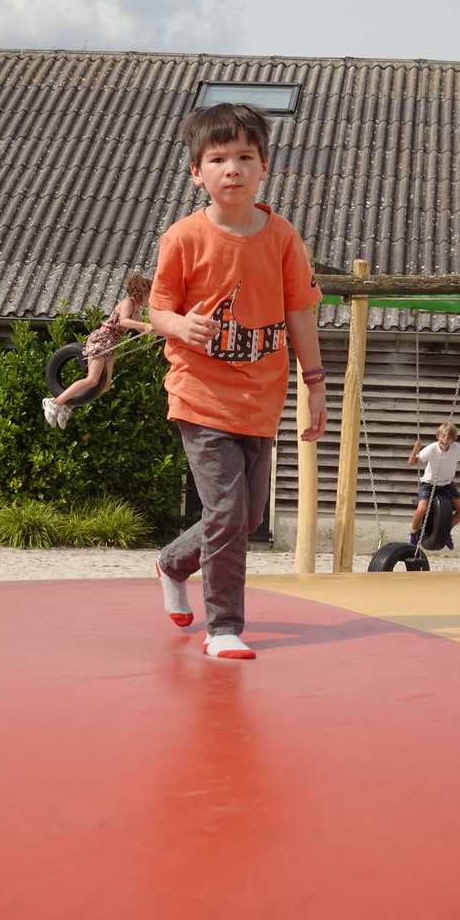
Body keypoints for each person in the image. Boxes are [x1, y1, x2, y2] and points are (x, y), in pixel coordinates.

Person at [148, 102, 327, 660]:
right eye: (218, 158)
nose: (233, 168)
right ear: (196, 171)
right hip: (199, 395)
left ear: (264, 167)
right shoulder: (183, 238)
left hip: (261, 398)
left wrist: (314, 382)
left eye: (245, 157)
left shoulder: (282, 238)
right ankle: (223, 626)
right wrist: (181, 324)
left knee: (246, 518)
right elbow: (157, 311)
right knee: (227, 512)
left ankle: (173, 562)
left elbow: (300, 312)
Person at [42, 273, 154, 429]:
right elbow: (124, 321)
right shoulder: (128, 302)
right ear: (143, 292)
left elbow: (144, 330)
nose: (152, 298)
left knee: (105, 386)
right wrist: (144, 326)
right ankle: (54, 403)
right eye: (151, 294)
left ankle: (68, 407)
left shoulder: (136, 309)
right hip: (102, 341)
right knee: (92, 380)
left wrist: (167, 332)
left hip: (110, 345)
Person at [407, 423, 460, 550]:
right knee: (421, 509)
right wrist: (415, 450)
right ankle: (413, 532)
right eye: (443, 436)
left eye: (448, 437)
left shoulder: (456, 448)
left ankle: (444, 532)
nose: (445, 439)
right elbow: (411, 463)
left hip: (446, 484)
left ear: (453, 439)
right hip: (428, 484)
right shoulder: (431, 449)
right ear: (437, 436)